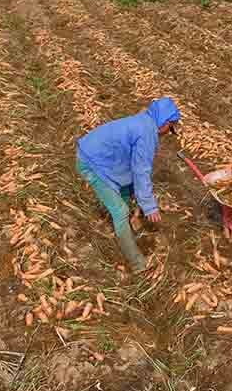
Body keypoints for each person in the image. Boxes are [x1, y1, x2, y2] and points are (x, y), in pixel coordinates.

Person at [76, 97, 181, 273]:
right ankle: (137, 263)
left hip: (101, 157)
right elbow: (141, 170)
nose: (168, 133)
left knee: (129, 187)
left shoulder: (145, 121)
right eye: (170, 128)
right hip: (91, 163)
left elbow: (135, 166)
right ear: (164, 122)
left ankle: (128, 225)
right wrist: (149, 206)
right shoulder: (147, 132)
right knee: (120, 212)